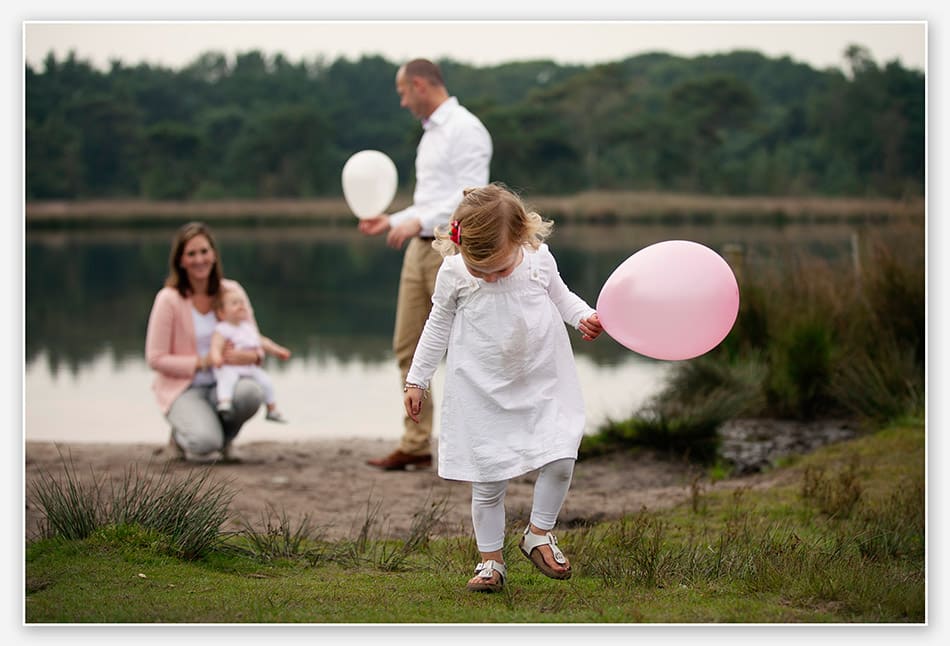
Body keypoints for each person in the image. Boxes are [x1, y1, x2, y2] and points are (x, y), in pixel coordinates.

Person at [402, 184, 603, 592]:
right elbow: (437, 325)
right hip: (482, 388)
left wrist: (584, 316)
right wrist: (417, 378)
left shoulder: (538, 260)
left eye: (498, 267)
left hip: (541, 379)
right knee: (489, 478)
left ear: (520, 237)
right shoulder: (454, 272)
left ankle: (539, 534)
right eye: (481, 269)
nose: (490, 276)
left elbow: (562, 298)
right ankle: (491, 563)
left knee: (562, 454)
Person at [360, 58, 492, 471]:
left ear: (419, 85)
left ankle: (481, 441)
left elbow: (472, 195)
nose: (401, 102)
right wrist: (395, 220)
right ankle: (416, 442)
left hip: (451, 250)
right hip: (419, 249)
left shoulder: (465, 128)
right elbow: (429, 198)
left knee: (467, 349)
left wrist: (420, 220)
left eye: (402, 92)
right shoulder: (430, 135)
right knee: (407, 346)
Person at [145, 221, 284, 462]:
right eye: (191, 254)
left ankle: (226, 441)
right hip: (185, 389)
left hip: (224, 384)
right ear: (180, 260)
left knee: (251, 393)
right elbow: (155, 358)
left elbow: (253, 340)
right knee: (204, 443)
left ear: (214, 255)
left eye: (204, 251)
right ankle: (181, 438)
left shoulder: (231, 291)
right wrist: (202, 362)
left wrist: (252, 356)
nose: (199, 259)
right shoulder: (169, 299)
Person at [209, 286, 291, 424]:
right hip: (230, 367)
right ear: (222, 313)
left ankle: (272, 409)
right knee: (226, 379)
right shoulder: (223, 328)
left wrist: (278, 351)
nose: (240, 306)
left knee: (266, 381)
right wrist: (216, 358)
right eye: (235, 303)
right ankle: (225, 402)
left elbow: (263, 342)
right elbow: (215, 346)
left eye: (242, 303)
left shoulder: (248, 328)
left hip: (249, 367)